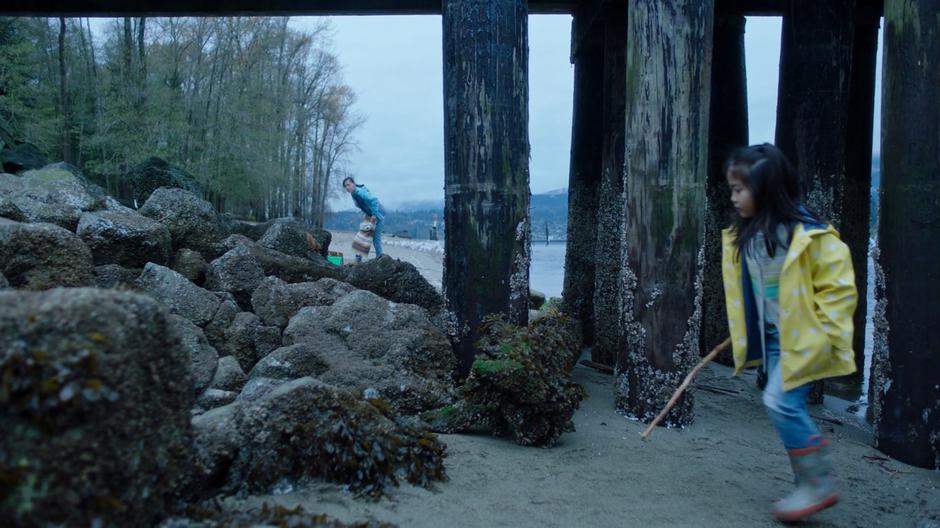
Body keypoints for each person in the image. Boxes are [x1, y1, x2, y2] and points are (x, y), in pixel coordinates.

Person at [721, 144, 857, 522]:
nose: (733, 197)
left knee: (780, 402)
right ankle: (808, 484)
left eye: (739, 189)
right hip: (775, 339)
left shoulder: (811, 235)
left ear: (766, 188)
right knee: (781, 402)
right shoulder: (747, 237)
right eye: (731, 189)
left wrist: (827, 332)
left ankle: (818, 483)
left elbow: (839, 287)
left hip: (803, 338)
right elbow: (753, 290)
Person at [342, 176, 385, 261]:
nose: (347, 187)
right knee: (361, 239)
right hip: (370, 215)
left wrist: (374, 215)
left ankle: (380, 260)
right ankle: (358, 262)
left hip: (377, 216)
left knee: (375, 240)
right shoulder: (353, 193)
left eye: (348, 185)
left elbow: (374, 200)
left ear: (353, 183)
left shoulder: (360, 192)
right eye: (345, 186)